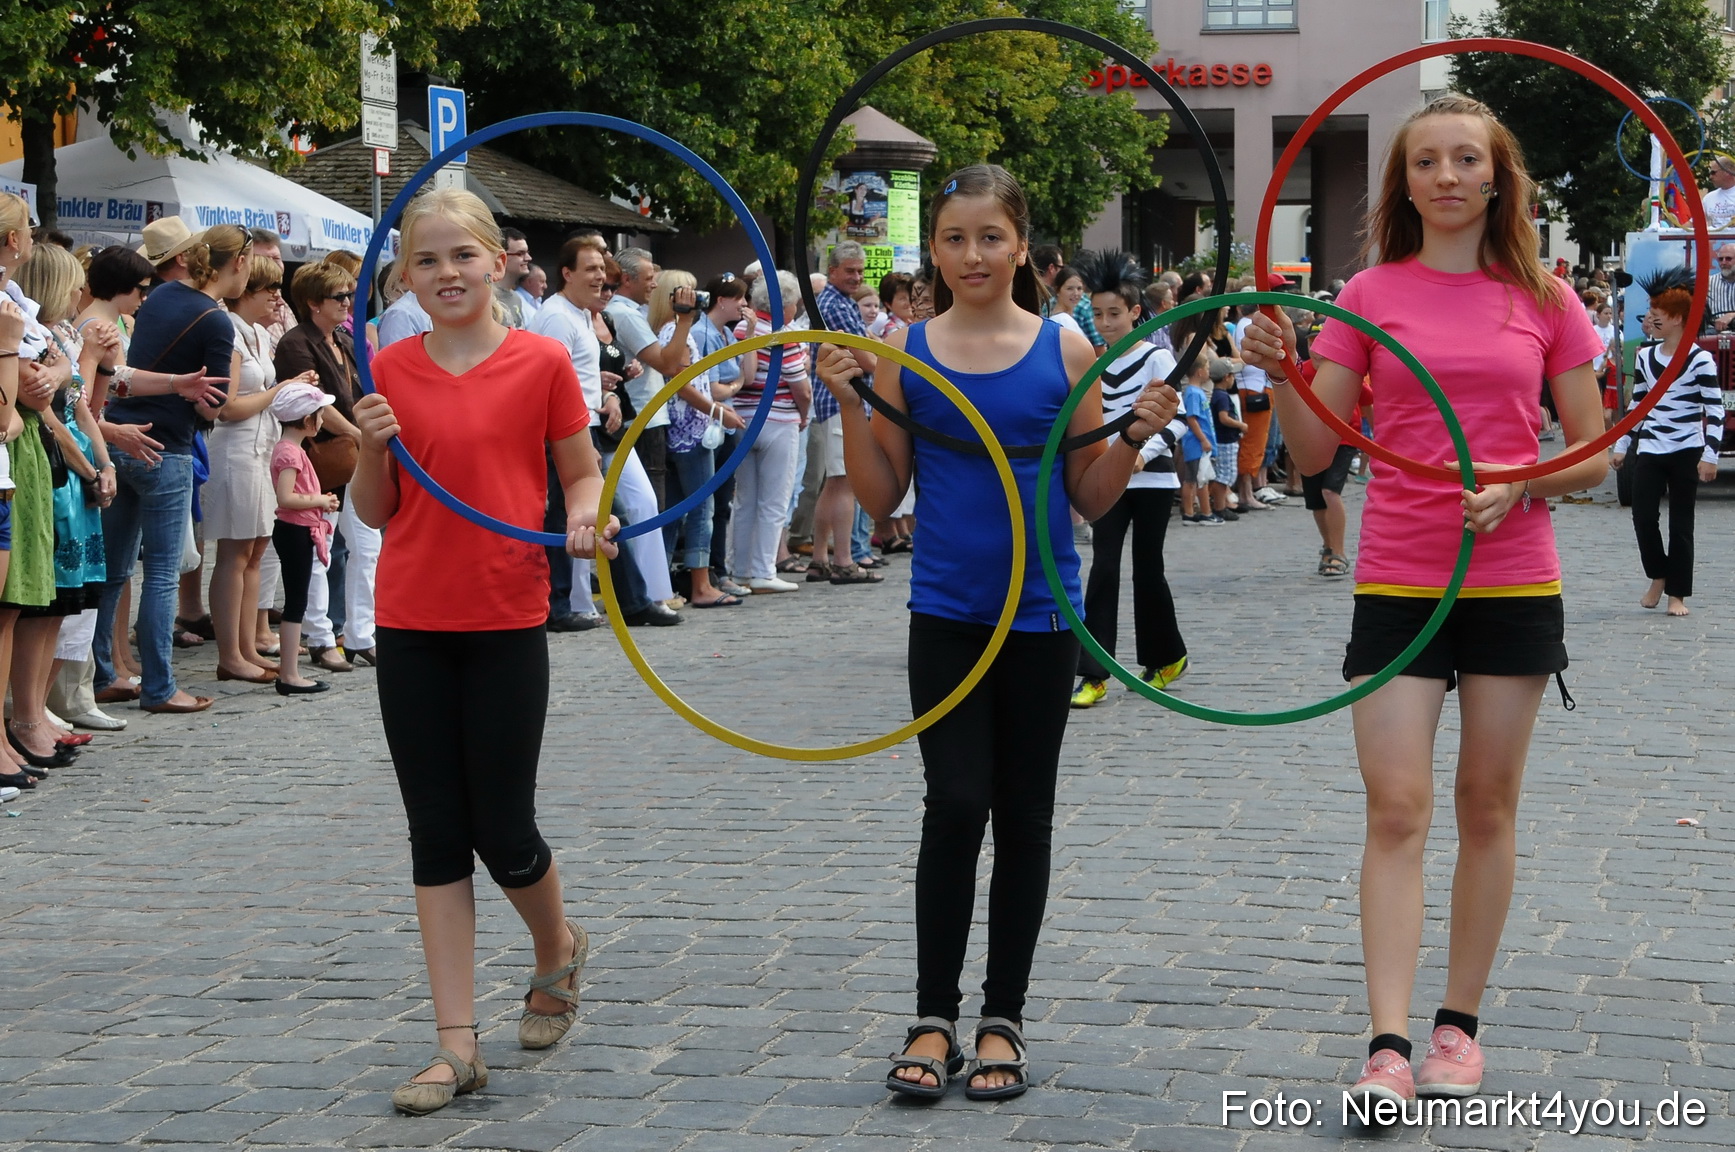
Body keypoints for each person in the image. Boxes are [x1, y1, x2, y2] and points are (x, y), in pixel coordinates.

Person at [1240, 94, 1608, 1106]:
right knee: (1394, 807)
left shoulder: (1544, 297)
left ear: (1497, 177)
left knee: (1484, 805)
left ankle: (1458, 1026)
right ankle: (1388, 1044)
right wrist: (1282, 378)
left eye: (1464, 159)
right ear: (1402, 183)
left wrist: (1522, 480)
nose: (1446, 176)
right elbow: (1317, 454)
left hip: (1510, 574)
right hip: (1400, 573)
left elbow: (1594, 446)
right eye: (1426, 162)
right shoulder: (1366, 292)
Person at [812, 164, 1176, 1102]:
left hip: (1041, 617)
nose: (970, 255)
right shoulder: (908, 347)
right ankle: (933, 1014)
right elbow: (884, 496)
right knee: (953, 804)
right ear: (931, 249)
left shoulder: (1063, 348)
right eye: (952, 239)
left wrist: (1131, 434)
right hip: (945, 612)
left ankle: (1001, 1018)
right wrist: (853, 398)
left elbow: (1088, 500)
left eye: (989, 237)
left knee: (1022, 817)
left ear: (1021, 245)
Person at [351, 188, 611, 1116]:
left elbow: (579, 475)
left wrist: (584, 522)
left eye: (463, 255)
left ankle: (556, 948)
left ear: (498, 262)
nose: (447, 273)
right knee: (435, 830)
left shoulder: (541, 360)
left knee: (503, 828)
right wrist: (371, 448)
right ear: (405, 277)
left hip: (504, 615)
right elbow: (375, 511)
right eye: (427, 261)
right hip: (413, 617)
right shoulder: (388, 363)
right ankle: (454, 1045)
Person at [94, 218, 240, 715]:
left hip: (119, 437)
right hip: (166, 449)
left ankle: (102, 673)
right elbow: (211, 407)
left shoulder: (152, 299)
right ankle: (159, 687)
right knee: (159, 573)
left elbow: (125, 374)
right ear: (234, 263)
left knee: (114, 571)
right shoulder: (215, 319)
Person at [526, 237, 678, 627]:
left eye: (601, 270)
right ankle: (561, 606)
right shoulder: (558, 316)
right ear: (567, 273)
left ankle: (632, 600)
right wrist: (575, 440)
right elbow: (546, 382)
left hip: (586, 425)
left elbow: (576, 376)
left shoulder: (578, 314)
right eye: (591, 269)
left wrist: (606, 395)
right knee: (571, 517)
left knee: (612, 512)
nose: (599, 278)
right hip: (567, 431)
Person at [1067, 250, 1188, 708]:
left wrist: (1142, 453)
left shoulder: (1157, 359)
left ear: (1135, 312)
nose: (1105, 322)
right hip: (1109, 481)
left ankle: (1166, 657)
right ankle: (1093, 672)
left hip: (1153, 480)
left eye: (1114, 313)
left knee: (1147, 570)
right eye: (1097, 314)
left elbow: (1175, 420)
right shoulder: (1093, 363)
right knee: (1103, 569)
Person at [208, 255, 305, 684]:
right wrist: (280, 390)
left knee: (255, 550)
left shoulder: (259, 335)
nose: (277, 298)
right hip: (235, 448)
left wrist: (293, 389)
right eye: (271, 290)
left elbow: (262, 394)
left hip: (260, 444)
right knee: (235, 552)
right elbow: (228, 407)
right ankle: (230, 651)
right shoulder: (229, 330)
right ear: (248, 292)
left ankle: (247, 645)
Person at [274, 260, 374, 672]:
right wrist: (355, 432)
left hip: (354, 453)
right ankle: (319, 635)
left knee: (367, 545)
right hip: (319, 455)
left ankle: (361, 633)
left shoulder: (344, 341)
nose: (348, 303)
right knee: (321, 547)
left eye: (349, 295)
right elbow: (309, 402)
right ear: (314, 302)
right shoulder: (297, 344)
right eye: (340, 297)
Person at [1613, 268, 1721, 617]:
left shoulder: (1700, 359)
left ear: (1678, 319)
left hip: (1687, 448)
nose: (1652, 316)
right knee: (1643, 516)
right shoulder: (1645, 356)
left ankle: (1678, 594)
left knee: (1681, 524)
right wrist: (1621, 444)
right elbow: (1638, 404)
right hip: (1651, 447)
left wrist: (1710, 455)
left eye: (1660, 311)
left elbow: (1715, 409)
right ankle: (1658, 574)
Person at [651, 270, 746, 606]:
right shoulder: (674, 331)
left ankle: (661, 585)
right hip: (691, 431)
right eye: (688, 293)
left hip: (686, 429)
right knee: (701, 507)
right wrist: (719, 412)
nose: (696, 299)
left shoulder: (678, 330)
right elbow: (682, 382)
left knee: (674, 510)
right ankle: (700, 585)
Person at [729, 270, 811, 593]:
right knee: (774, 500)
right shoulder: (783, 335)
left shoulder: (741, 328)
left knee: (745, 499)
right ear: (785, 305)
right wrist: (804, 416)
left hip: (742, 418)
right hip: (779, 419)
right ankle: (764, 569)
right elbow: (800, 388)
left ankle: (740, 569)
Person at [809, 241, 881, 586]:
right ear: (832, 271)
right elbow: (867, 359)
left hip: (833, 402)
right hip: (840, 401)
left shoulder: (838, 302)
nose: (856, 277)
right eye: (849, 270)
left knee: (834, 482)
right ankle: (843, 560)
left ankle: (820, 558)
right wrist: (877, 359)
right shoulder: (836, 305)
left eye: (859, 271)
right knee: (845, 483)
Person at [607, 250, 696, 509]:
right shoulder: (626, 314)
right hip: (643, 419)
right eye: (648, 279)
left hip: (641, 415)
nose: (655, 285)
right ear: (626, 279)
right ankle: (652, 550)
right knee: (650, 504)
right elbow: (668, 364)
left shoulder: (629, 312)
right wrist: (685, 320)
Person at [268, 382, 338, 695]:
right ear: (308, 420)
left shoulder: (292, 450)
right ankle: (289, 673)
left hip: (298, 529)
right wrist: (319, 501)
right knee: (296, 604)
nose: (323, 421)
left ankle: (289, 671)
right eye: (320, 415)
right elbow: (286, 498)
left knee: (298, 601)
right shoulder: (290, 454)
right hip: (295, 530)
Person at [1700, 155, 1735, 233]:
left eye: (1713, 173)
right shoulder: (1709, 198)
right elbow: (1695, 222)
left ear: (1727, 171)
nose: (1710, 177)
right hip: (1715, 242)